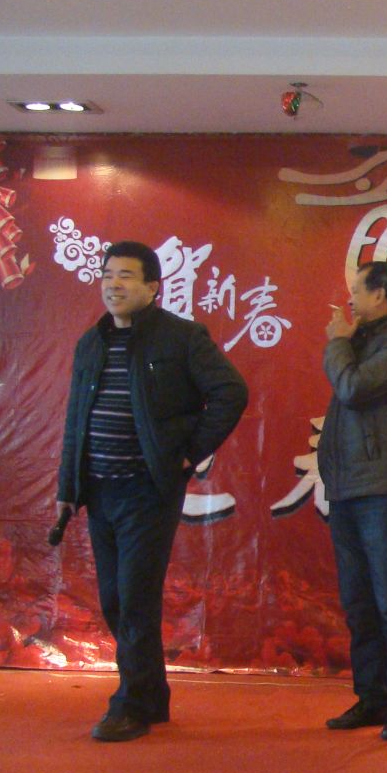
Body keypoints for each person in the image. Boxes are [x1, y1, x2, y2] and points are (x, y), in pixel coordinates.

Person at [57, 240, 248, 741]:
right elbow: (76, 417)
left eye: (125, 276)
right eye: (107, 275)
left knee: (135, 597)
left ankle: (132, 705)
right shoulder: (91, 342)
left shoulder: (181, 337)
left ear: (152, 287)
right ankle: (152, 695)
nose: (113, 285)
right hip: (100, 491)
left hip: (147, 491)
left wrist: (189, 452)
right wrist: (67, 486)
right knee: (114, 599)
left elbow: (231, 392)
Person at [318, 261, 387, 741]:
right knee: (358, 603)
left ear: (380, 293)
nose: (350, 300)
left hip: (383, 490)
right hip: (348, 488)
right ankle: (372, 697)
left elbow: (353, 388)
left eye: (357, 291)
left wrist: (337, 342)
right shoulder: (365, 341)